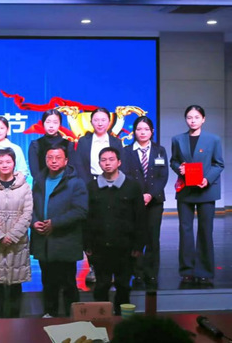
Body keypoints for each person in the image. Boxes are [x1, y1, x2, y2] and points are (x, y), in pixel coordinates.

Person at [84, 147, 145, 315]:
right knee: (101, 285)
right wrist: (87, 244)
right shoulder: (91, 187)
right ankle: (100, 320)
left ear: (119, 162)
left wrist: (138, 245)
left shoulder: (132, 186)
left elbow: (140, 217)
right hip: (99, 246)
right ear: (99, 164)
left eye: (111, 159)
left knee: (123, 285)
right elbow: (87, 218)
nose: (107, 163)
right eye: (103, 160)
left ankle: (122, 321)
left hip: (125, 246)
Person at [31, 145, 87, 318]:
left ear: (66, 160)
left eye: (58, 158)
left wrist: (54, 223)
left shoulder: (76, 182)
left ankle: (73, 319)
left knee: (68, 283)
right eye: (50, 158)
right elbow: (31, 206)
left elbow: (80, 211)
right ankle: (50, 315)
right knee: (48, 282)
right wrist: (34, 222)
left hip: (65, 241)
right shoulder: (38, 180)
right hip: (44, 241)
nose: (53, 161)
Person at [170, 105, 224, 287]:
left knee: (205, 231)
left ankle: (205, 271)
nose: (192, 120)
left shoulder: (213, 139)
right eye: (189, 117)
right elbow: (173, 161)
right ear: (186, 119)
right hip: (185, 190)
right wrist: (179, 168)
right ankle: (186, 270)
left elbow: (218, 164)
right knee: (185, 231)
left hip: (206, 190)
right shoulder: (178, 139)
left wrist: (207, 179)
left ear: (203, 119)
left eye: (196, 117)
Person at [71, 106, 123, 283]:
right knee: (92, 228)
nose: (100, 123)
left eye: (103, 120)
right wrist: (89, 185)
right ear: (91, 122)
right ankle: (93, 267)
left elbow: (121, 164)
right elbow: (79, 165)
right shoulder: (84, 141)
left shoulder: (116, 142)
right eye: (96, 120)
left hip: (112, 185)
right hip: (90, 186)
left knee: (112, 227)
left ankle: (112, 267)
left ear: (109, 122)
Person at [0, 148, 32, 318]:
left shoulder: (24, 187)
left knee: (16, 284)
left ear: (14, 163)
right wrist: (0, 236)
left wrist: (13, 235)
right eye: (0, 162)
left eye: (8, 161)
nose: (4, 165)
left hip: (18, 242)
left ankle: (15, 322)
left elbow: (27, 213)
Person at [123, 116, 169, 289]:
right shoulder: (126, 151)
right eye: (139, 129)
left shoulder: (160, 150)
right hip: (133, 201)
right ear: (134, 131)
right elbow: (125, 174)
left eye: (146, 129)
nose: (142, 132)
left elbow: (163, 176)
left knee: (152, 238)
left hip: (155, 201)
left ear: (152, 131)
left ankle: (151, 273)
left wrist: (150, 194)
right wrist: (139, 196)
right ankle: (137, 273)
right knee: (135, 238)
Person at [28, 109, 72, 181]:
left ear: (60, 124)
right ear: (43, 123)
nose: (51, 126)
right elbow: (35, 172)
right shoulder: (35, 144)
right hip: (42, 185)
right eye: (48, 122)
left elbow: (71, 169)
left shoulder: (68, 144)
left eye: (55, 122)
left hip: (65, 184)